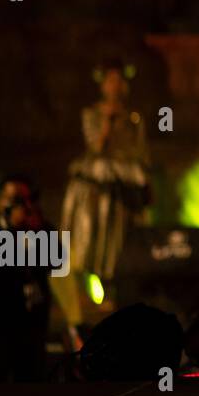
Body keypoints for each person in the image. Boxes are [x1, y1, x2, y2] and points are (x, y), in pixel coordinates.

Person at [52, 58, 153, 349]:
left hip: (123, 189)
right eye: (110, 80)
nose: (115, 86)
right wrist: (107, 121)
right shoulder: (92, 114)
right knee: (84, 245)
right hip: (96, 188)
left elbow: (140, 152)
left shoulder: (134, 117)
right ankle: (83, 313)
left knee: (119, 245)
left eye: (119, 80)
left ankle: (114, 302)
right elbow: (95, 145)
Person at [0, 175, 57, 382]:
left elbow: (55, 261)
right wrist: (13, 231)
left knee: (32, 384)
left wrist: (35, 231)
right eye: (15, 199)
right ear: (0, 201)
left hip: (31, 324)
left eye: (26, 199)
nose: (23, 206)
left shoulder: (41, 229)